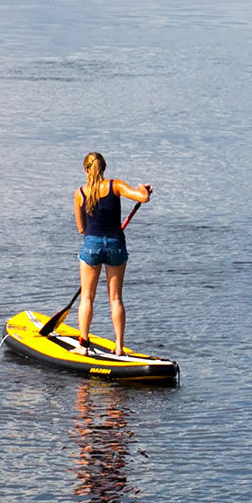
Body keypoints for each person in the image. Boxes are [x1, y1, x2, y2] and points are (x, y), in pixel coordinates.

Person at [72, 152, 151, 355]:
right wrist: (143, 189)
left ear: (86, 170)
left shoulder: (80, 193)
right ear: (104, 168)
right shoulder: (115, 185)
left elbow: (81, 228)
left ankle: (83, 345)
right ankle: (118, 346)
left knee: (87, 298)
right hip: (116, 244)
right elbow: (143, 197)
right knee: (115, 298)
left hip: (91, 246)